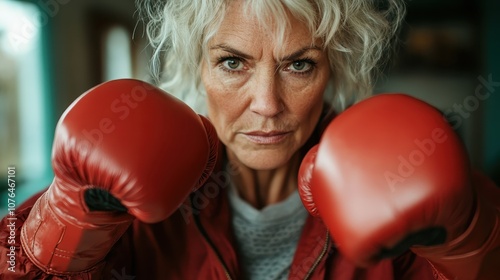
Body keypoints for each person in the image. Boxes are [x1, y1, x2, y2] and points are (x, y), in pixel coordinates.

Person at [1, 0, 499, 279]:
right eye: (233, 62)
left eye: (298, 64)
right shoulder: (133, 177)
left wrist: (469, 239)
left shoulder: (399, 176)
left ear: (333, 71)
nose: (267, 103)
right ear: (197, 66)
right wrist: (67, 222)